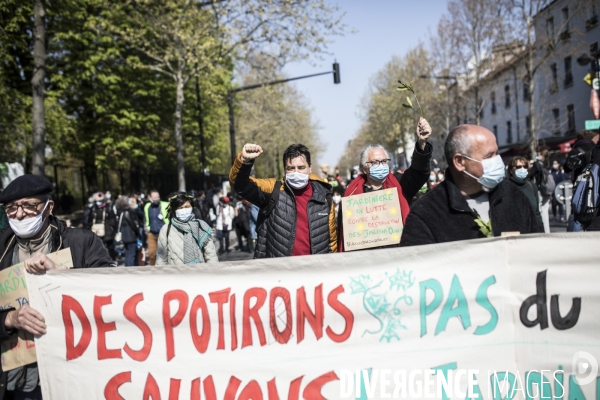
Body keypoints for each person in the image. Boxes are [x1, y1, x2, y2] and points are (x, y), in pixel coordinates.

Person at [0, 175, 114, 400]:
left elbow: (111, 294)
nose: (20, 214)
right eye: (11, 208)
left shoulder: (82, 242)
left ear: (48, 207)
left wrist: (63, 277)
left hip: (72, 371)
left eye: (30, 206)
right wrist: (9, 320)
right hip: (17, 380)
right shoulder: (2, 248)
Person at [400, 124, 543, 247]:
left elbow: (538, 246)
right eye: (489, 156)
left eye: (497, 153)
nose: (498, 161)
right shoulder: (426, 213)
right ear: (460, 162)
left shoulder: (513, 196)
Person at [339, 117, 433, 251]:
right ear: (364, 167)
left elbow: (419, 172)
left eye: (384, 161)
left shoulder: (400, 184)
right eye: (375, 162)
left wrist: (422, 144)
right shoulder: (352, 195)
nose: (381, 165)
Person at [229, 143, 337, 258]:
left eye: (301, 167)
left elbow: (332, 243)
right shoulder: (273, 190)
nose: (296, 173)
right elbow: (239, 185)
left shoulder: (325, 197)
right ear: (285, 170)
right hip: (279, 272)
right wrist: (245, 161)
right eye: (291, 168)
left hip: (315, 272)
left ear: (310, 167)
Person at [156, 193, 217, 265]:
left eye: (187, 206)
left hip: (199, 273)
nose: (184, 210)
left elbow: (211, 256)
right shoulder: (166, 229)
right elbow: (161, 258)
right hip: (175, 274)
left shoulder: (201, 226)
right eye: (180, 208)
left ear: (192, 207)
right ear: (174, 210)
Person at [507, 157, 542, 224]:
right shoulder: (506, 187)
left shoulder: (532, 186)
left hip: (532, 230)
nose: (522, 169)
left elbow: (537, 212)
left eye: (525, 166)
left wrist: (540, 227)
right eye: (518, 167)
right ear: (511, 170)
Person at [84, 191, 117, 260]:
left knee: (110, 247)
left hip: (107, 231)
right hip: (96, 231)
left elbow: (113, 218)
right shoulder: (92, 208)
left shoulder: (108, 208)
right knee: (98, 247)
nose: (99, 202)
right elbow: (88, 219)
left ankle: (111, 260)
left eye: (101, 200)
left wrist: (111, 227)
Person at [528, 149, 552, 233]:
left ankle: (542, 230)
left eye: (538, 154)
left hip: (540, 189)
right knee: (545, 211)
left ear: (542, 155)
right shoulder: (547, 164)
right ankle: (547, 230)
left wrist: (530, 165)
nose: (537, 155)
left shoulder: (537, 164)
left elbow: (530, 174)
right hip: (547, 189)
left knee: (539, 210)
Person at [144, 190, 169, 265]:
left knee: (164, 254)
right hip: (152, 233)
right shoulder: (147, 206)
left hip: (163, 233)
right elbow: (145, 219)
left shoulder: (165, 205)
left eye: (158, 197)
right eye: (154, 197)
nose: (157, 199)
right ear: (150, 198)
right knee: (151, 254)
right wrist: (147, 230)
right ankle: (153, 270)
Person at [115, 196, 141, 267]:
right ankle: (130, 268)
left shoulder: (119, 212)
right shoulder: (127, 212)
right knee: (131, 254)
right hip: (130, 235)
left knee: (127, 253)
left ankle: (127, 267)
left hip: (124, 235)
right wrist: (137, 231)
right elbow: (132, 224)